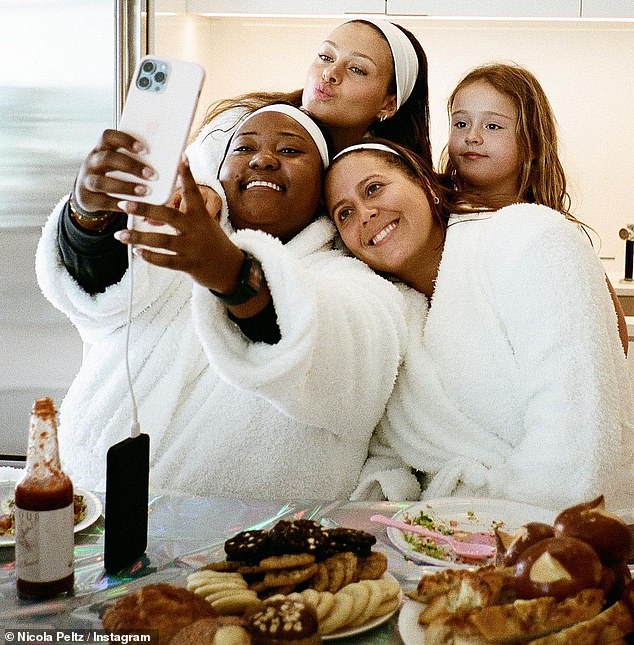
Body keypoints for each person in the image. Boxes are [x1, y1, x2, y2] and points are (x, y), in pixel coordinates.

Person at [35, 105, 416, 500]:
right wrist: (88, 214)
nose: (263, 159)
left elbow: (340, 351)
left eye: (289, 151)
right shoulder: (175, 234)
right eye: (243, 148)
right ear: (218, 177)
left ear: (322, 193)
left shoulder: (360, 285)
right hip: (85, 507)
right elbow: (98, 290)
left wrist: (231, 274)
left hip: (250, 541)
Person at [324, 139, 634, 511]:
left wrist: (505, 529)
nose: (364, 214)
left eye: (373, 188)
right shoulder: (396, 316)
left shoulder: (527, 236)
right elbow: (392, 452)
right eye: (344, 213)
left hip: (569, 529)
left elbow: (578, 422)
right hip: (446, 535)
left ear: (424, 183)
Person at [439, 62, 628, 354]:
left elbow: (613, 336)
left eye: (492, 126)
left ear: (531, 144)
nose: (472, 136)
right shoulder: (437, 217)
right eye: (461, 123)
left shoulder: (554, 234)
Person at [186, 18, 432, 185]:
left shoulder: (382, 181)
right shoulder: (238, 124)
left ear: (388, 104)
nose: (330, 73)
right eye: (326, 56)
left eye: (357, 69)